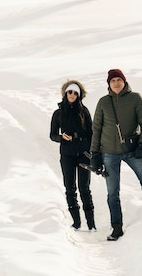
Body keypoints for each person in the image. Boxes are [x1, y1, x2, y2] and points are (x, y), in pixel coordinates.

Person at [90, 68, 142, 241]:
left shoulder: (135, 98)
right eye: (113, 81)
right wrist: (95, 154)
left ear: (124, 81)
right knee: (113, 192)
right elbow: (96, 129)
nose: (116, 83)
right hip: (109, 153)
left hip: (131, 151)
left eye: (119, 79)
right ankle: (117, 227)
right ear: (109, 84)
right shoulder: (103, 102)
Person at [50, 79, 95, 230]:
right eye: (70, 92)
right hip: (67, 154)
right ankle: (76, 222)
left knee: (84, 187)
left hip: (83, 153)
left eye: (76, 93)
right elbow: (52, 135)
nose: (72, 95)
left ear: (79, 95)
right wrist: (61, 137)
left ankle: (91, 224)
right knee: (70, 187)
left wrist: (92, 152)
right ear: (65, 93)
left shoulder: (84, 111)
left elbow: (91, 133)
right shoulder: (58, 113)